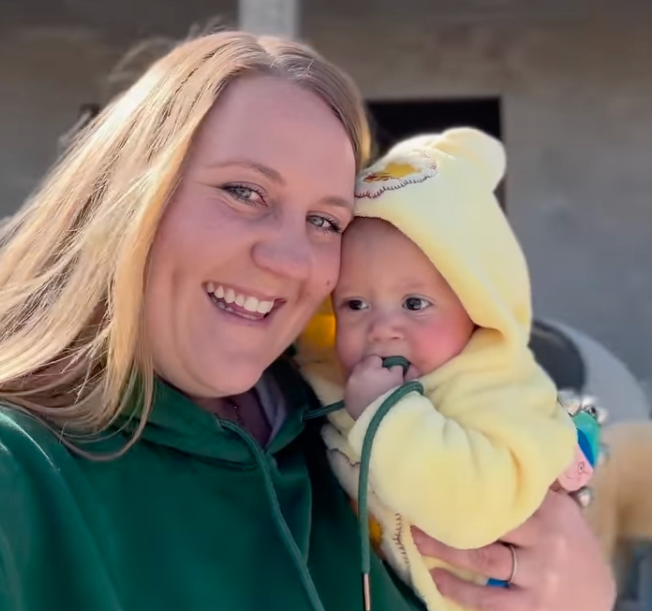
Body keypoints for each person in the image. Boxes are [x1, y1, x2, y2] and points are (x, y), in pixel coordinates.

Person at [0, 31, 616, 611]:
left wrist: (582, 592)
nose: (292, 260)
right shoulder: (20, 469)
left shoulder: (339, 419)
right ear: (128, 196)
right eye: (244, 192)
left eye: (326, 221)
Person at [297, 127, 601, 611]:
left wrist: (384, 415)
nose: (382, 328)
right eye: (354, 303)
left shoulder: (498, 389)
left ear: (477, 304)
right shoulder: (329, 373)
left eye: (415, 303)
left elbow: (474, 511)